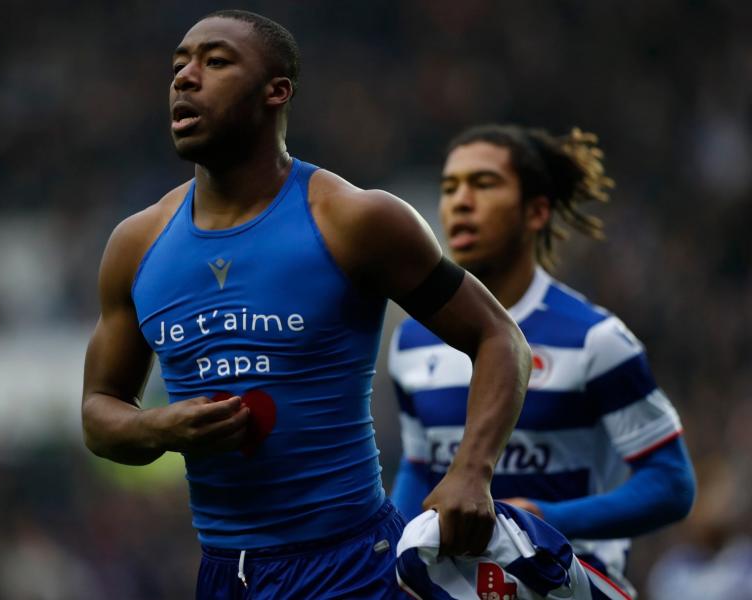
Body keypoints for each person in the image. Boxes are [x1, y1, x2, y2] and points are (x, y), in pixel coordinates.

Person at [81, 11, 532, 600]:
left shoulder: (354, 220)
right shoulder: (136, 246)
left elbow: (500, 338)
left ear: (277, 91)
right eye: (178, 66)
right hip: (224, 576)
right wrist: (157, 427)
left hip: (352, 567)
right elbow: (98, 410)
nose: (185, 78)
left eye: (214, 62)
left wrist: (472, 471)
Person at [387, 124, 696, 596]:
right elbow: (417, 463)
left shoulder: (596, 338)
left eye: (483, 184)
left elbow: (672, 482)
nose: (460, 201)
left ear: (536, 211)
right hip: (463, 584)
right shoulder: (412, 341)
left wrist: (547, 518)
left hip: (578, 578)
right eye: (449, 188)